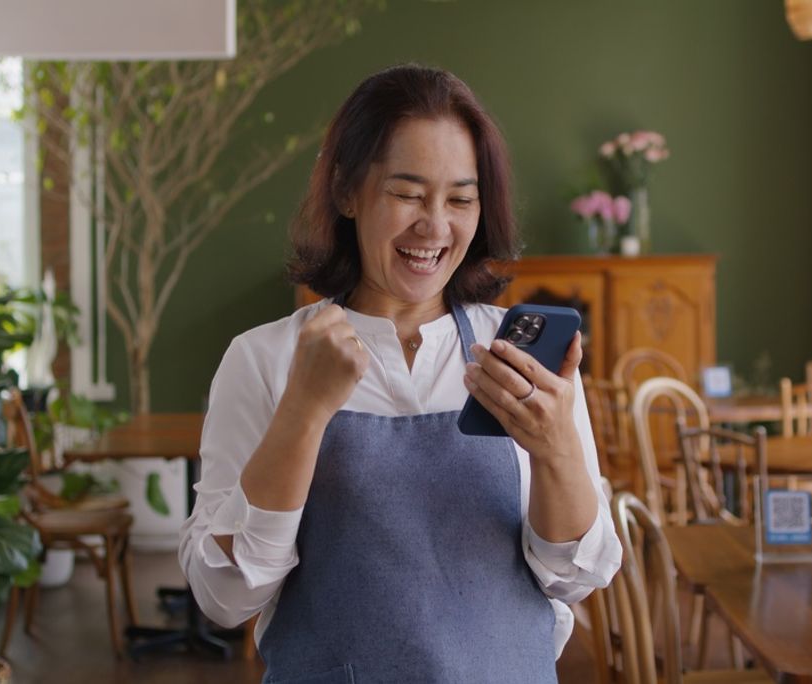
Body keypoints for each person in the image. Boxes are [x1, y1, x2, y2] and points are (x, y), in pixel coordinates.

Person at [179, 63, 621, 683]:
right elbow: (224, 597)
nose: (434, 226)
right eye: (407, 193)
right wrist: (303, 414)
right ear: (347, 192)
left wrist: (557, 451)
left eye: (460, 199)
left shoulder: (516, 359)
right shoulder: (264, 359)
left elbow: (574, 576)